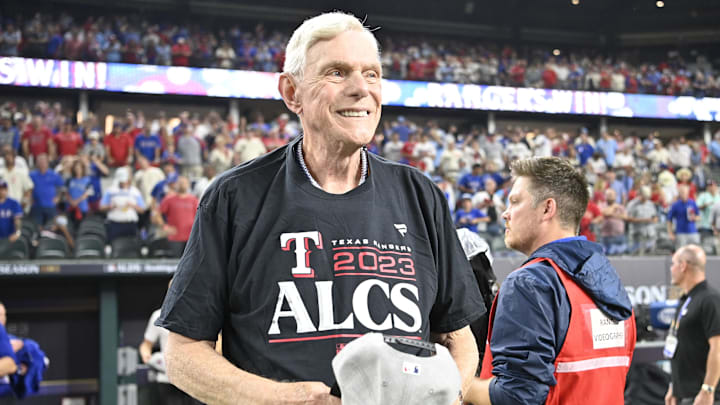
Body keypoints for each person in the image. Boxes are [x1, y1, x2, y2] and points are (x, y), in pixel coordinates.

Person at [157, 12, 485, 405]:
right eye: (337, 72)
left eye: (372, 74)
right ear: (292, 92)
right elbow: (181, 354)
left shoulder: (419, 193)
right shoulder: (234, 198)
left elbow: (456, 337)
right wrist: (281, 400)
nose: (360, 89)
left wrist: (449, 394)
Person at [466, 157, 635, 405]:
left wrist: (460, 384)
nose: (505, 213)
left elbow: (517, 396)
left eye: (514, 201)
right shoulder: (609, 282)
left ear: (547, 208)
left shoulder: (530, 283)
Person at [664, 245, 720, 405]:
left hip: (704, 397)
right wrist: (674, 387)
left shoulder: (710, 299)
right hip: (686, 395)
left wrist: (708, 389)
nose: (671, 268)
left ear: (683, 266)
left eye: (673, 263)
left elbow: (718, 347)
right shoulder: (686, 300)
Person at [29, 154, 63, 226]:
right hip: (36, 205)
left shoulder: (54, 174)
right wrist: (30, 198)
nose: (42, 164)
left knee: (50, 226)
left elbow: (61, 187)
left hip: (50, 205)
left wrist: (58, 197)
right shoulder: (32, 175)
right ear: (37, 163)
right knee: (37, 227)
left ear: (47, 163)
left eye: (44, 162)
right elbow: (28, 188)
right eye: (40, 162)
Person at [668, 184, 700, 250]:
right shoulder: (675, 205)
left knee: (694, 252)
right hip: (680, 233)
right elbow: (669, 220)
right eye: (682, 192)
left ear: (688, 192)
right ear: (679, 193)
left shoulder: (692, 203)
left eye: (685, 192)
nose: (684, 194)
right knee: (681, 252)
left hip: (692, 232)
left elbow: (699, 217)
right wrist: (670, 233)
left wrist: (694, 218)